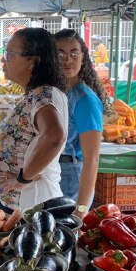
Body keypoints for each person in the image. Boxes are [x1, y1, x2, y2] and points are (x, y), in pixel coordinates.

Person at [0, 28, 68, 211]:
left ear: (32, 61)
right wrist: (1, 129)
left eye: (9, 54)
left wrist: (23, 178)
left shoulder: (43, 95)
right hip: (20, 203)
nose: (3, 60)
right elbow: (33, 134)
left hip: (29, 204)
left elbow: (54, 136)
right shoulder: (38, 94)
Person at [53, 29, 107, 217]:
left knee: (64, 235)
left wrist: (81, 209)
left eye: (74, 53)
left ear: (82, 58)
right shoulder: (54, 93)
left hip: (70, 178)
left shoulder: (85, 100)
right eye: (60, 54)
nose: (68, 60)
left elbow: (92, 159)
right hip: (53, 172)